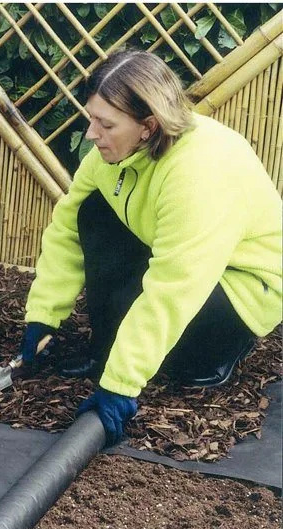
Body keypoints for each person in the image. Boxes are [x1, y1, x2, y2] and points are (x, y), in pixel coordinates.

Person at [20, 49, 282, 446]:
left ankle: (215, 354)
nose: (91, 134)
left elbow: (174, 287)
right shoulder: (108, 155)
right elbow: (67, 230)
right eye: (91, 118)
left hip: (241, 284)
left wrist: (121, 385)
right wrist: (43, 314)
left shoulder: (199, 174)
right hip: (176, 258)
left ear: (148, 126)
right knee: (92, 211)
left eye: (105, 124)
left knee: (179, 365)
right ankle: (106, 348)